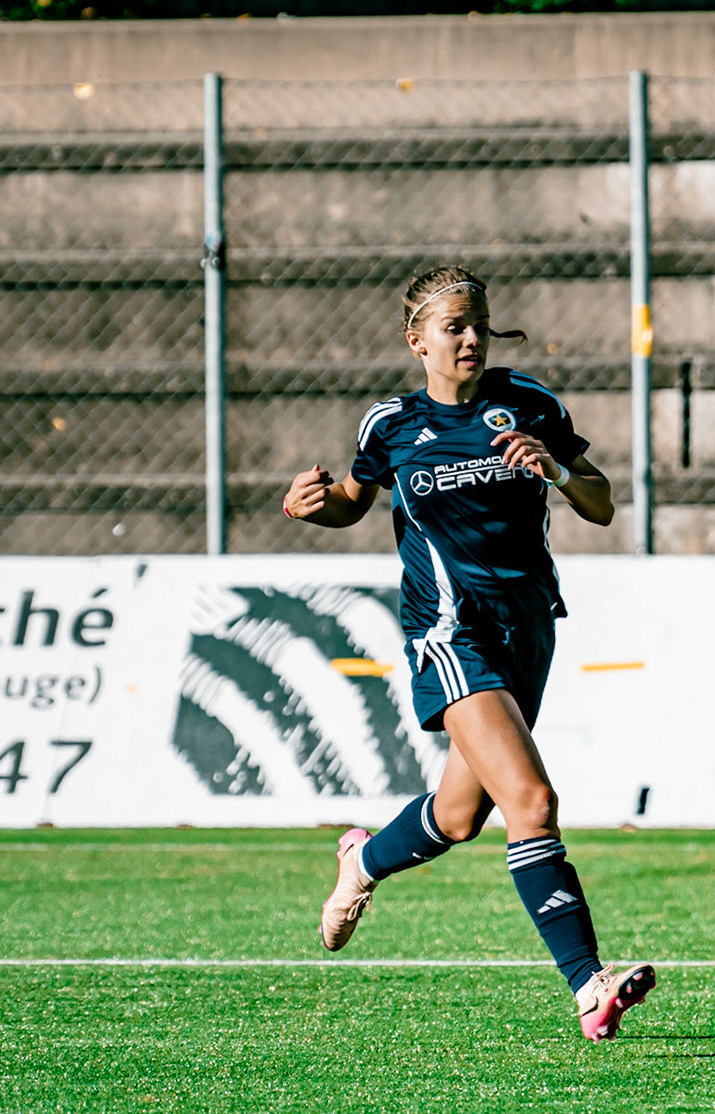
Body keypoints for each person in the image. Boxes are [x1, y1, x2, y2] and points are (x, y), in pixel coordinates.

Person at [281, 264, 655, 1042]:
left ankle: (362, 860)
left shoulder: (530, 404)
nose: (472, 338)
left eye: (479, 324)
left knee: (457, 817)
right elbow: (353, 502)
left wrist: (554, 471)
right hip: (450, 632)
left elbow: (601, 501)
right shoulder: (390, 425)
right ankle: (589, 986)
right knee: (533, 803)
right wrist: (310, 507)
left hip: (530, 628)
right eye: (454, 327)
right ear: (416, 339)